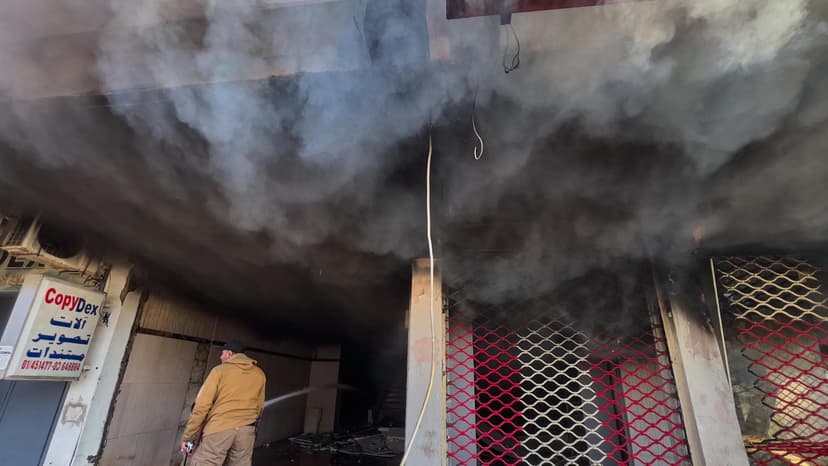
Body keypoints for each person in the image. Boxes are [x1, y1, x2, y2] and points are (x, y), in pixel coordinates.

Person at [181, 340, 266, 466]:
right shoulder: (259, 374)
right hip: (246, 430)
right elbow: (259, 407)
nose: (220, 357)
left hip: (219, 428)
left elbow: (201, 406)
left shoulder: (219, 371)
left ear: (229, 353)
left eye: (222, 353)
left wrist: (189, 436)